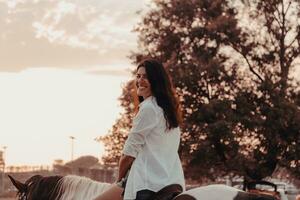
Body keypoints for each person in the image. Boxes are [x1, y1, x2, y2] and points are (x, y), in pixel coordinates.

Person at [94, 58, 185, 200]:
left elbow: (128, 154)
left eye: (146, 77)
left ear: (156, 81)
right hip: (172, 181)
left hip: (148, 183)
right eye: (138, 76)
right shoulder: (169, 111)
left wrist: (119, 179)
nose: (140, 81)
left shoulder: (149, 108)